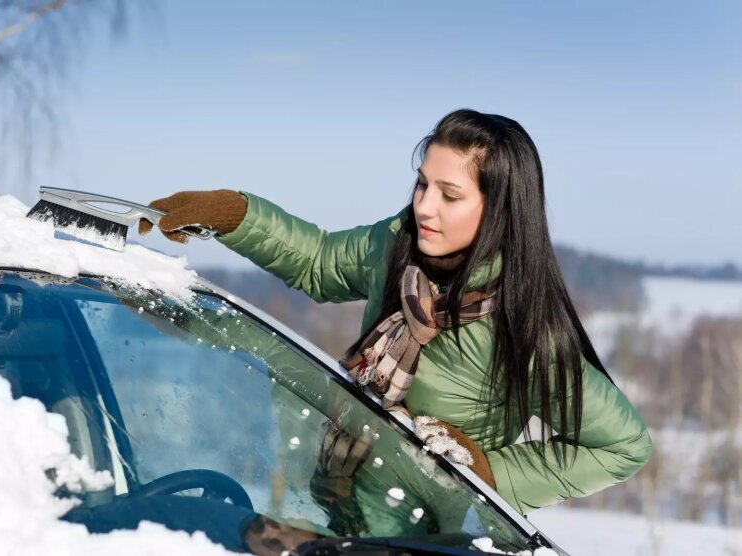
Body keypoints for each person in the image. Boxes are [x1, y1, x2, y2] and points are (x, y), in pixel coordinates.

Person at [138, 108, 652, 516]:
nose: (424, 207)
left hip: (431, 539)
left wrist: (487, 474)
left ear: (499, 210)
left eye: (449, 195)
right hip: (333, 510)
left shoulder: (523, 325)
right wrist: (233, 214)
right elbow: (319, 261)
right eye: (422, 184)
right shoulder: (398, 243)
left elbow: (623, 446)